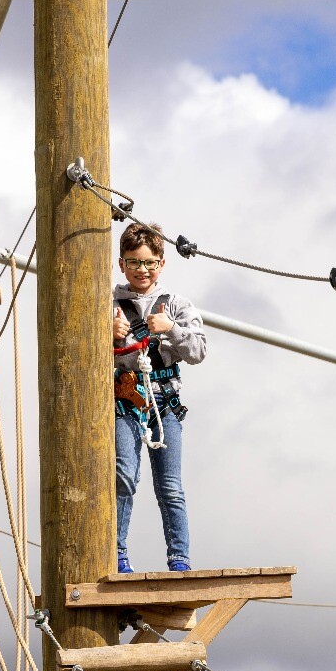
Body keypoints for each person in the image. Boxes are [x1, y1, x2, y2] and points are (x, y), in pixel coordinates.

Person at [112, 222, 207, 573]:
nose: (142, 270)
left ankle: (179, 559)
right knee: (124, 475)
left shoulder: (177, 305)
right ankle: (118, 552)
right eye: (135, 263)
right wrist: (107, 333)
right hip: (126, 398)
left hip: (164, 402)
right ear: (122, 264)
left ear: (162, 264)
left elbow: (198, 350)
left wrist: (172, 329)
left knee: (170, 486)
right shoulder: (109, 304)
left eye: (150, 263)